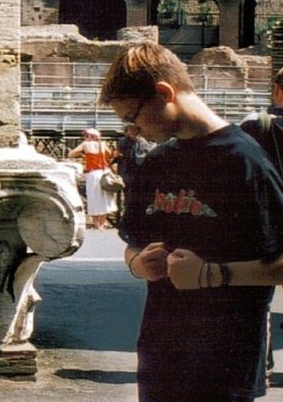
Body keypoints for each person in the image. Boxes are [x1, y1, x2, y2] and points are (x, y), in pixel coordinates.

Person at [100, 41, 283, 402]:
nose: (132, 130)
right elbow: (133, 245)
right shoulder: (156, 162)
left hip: (224, 363)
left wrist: (210, 274)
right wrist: (137, 263)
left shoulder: (245, 161)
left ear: (164, 93)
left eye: (131, 116)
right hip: (160, 358)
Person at [68, 127, 116, 230]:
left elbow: (71, 154)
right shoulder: (103, 144)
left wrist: (82, 154)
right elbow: (109, 155)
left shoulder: (85, 145)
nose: (84, 137)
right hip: (105, 172)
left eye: (86, 135)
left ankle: (96, 224)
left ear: (90, 136)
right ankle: (102, 224)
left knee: (93, 198)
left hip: (94, 173)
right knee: (104, 198)